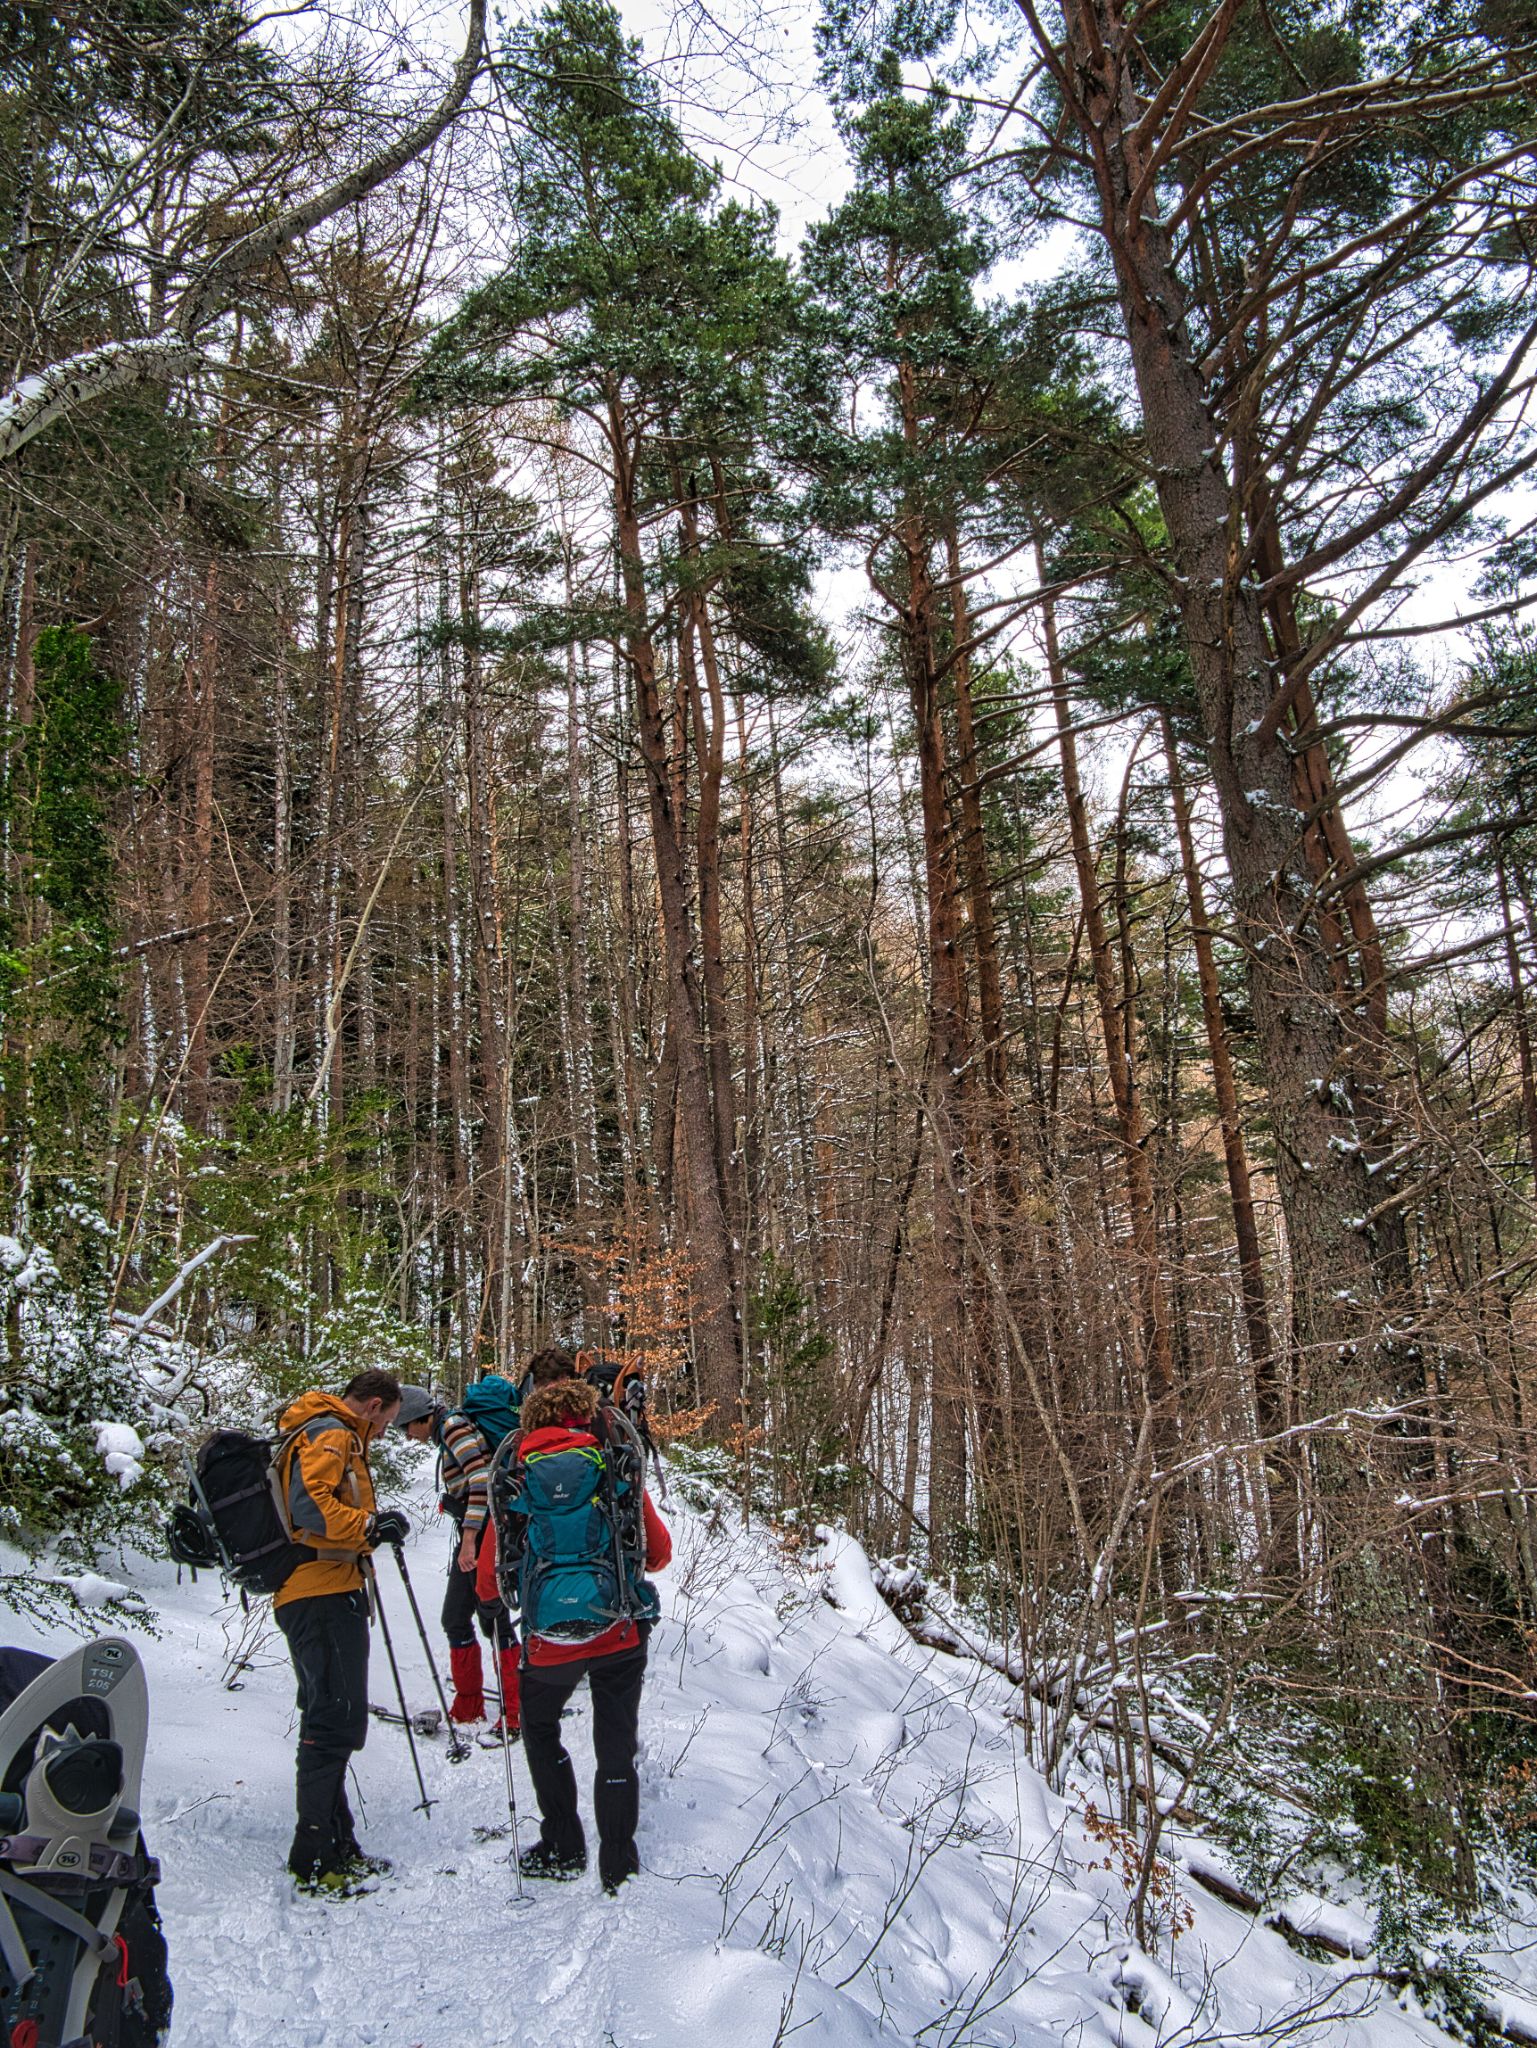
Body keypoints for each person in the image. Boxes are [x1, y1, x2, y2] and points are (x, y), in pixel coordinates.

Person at [479, 1373, 671, 1893]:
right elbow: (658, 1553)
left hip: (546, 1645)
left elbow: (486, 1579)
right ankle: (618, 1862)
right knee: (614, 1744)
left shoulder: (515, 1478)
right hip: (619, 1635)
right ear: (585, 1417)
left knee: (541, 1732)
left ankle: (562, 1846)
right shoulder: (614, 1468)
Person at [271, 1366, 408, 1893]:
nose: (383, 1433)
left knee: (332, 1716)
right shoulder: (332, 1431)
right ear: (373, 1406)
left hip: (319, 1587)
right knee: (333, 1723)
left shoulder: (315, 1428)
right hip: (320, 1591)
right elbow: (311, 1507)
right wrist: (368, 1527)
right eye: (387, 1422)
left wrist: (365, 1536)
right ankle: (313, 1858)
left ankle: (339, 1843)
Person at [394, 1381, 520, 1734]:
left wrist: (468, 1539)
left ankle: (514, 1711)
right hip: (480, 1531)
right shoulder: (453, 1428)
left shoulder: (453, 1429)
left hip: (481, 1534)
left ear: (420, 1418)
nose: (407, 1436)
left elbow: (481, 1481)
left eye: (406, 1427)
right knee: (462, 1617)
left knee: (490, 1618)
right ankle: (469, 1706)